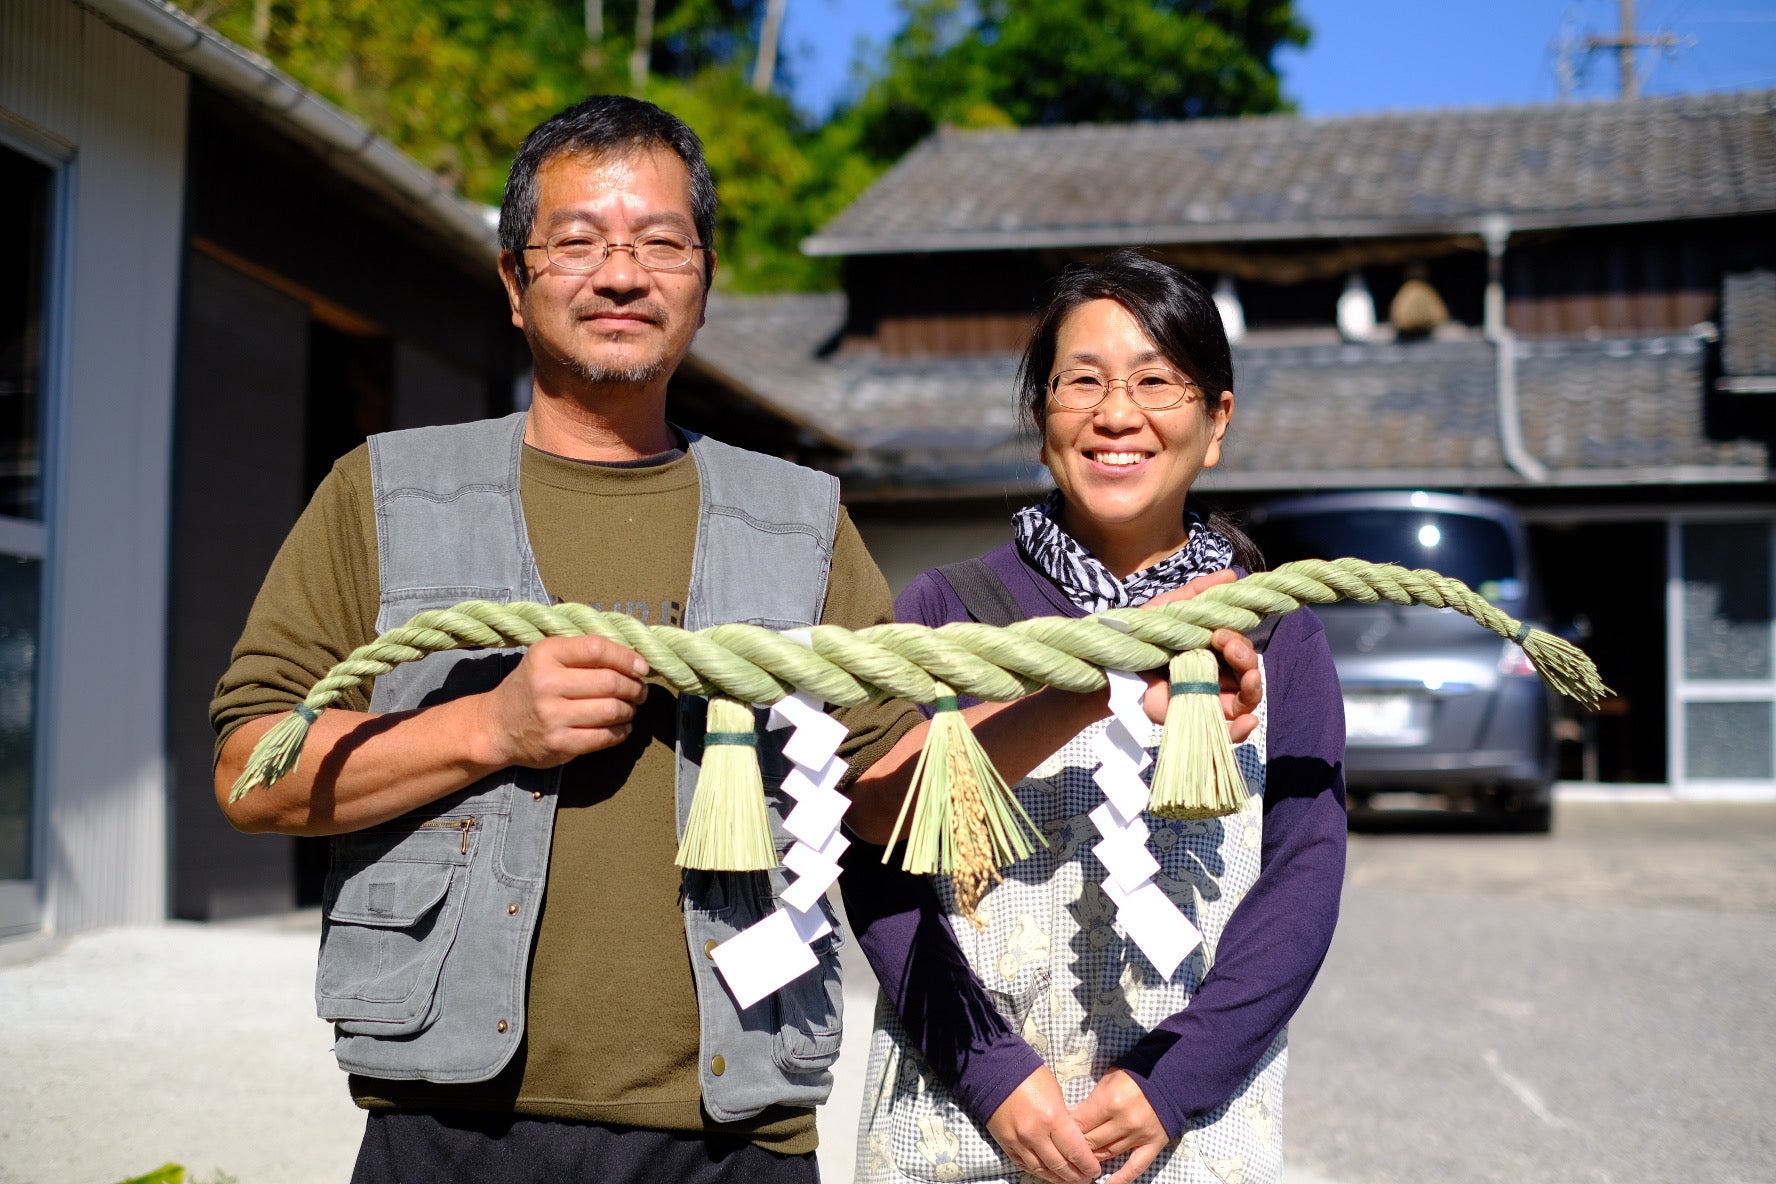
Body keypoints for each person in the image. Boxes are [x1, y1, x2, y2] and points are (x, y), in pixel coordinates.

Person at [210, 99, 1262, 1184]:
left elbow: (896, 797)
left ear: (704, 283)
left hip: (735, 1140)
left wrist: (1102, 679)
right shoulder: (386, 495)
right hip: (448, 1129)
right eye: (578, 241)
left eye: (661, 242)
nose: (622, 275)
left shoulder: (799, 523)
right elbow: (250, 772)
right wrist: (491, 727)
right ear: (515, 283)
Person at [842, 252, 1348, 1184]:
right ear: (1042, 420)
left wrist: (1174, 1081)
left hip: (1186, 1127)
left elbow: (1302, 883)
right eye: (1083, 382)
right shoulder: (945, 614)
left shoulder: (1279, 633)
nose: (1117, 415)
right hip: (960, 1119)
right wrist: (993, 1076)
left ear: (1217, 421)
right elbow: (876, 861)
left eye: (1155, 381)